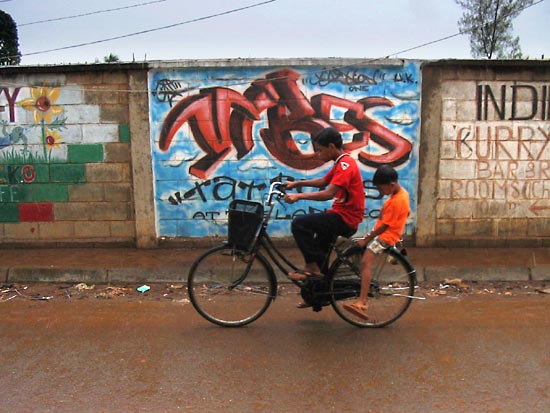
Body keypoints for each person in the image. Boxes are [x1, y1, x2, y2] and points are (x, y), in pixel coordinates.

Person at [283, 127, 365, 293]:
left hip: (346, 219)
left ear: (331, 147)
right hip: (339, 215)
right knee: (320, 254)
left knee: (299, 224)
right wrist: (297, 184)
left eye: (320, 150)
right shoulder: (340, 162)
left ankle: (311, 267)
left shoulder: (345, 165)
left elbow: (328, 193)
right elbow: (323, 181)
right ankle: (318, 295)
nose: (319, 154)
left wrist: (299, 196)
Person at [343, 165, 410, 320]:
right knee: (360, 255)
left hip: (386, 237)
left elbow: (384, 226)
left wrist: (367, 239)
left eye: (381, 188)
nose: (380, 191)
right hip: (387, 233)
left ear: (391, 185)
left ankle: (362, 301)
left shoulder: (397, 201)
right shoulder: (402, 194)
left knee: (365, 262)